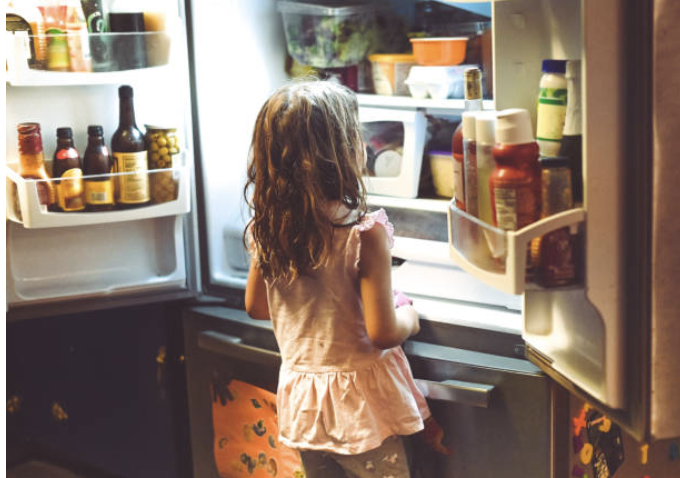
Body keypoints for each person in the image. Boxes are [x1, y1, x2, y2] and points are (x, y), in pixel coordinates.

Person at [243, 79, 449, 478]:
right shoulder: (362, 233)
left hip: (303, 405)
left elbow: (256, 307)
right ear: (341, 153)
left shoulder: (266, 228)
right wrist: (411, 315)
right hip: (360, 410)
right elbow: (383, 332)